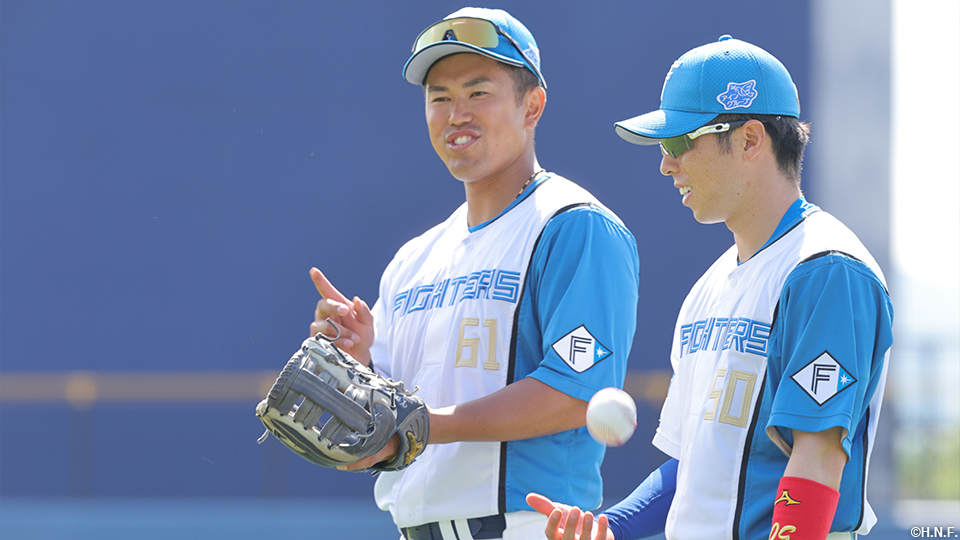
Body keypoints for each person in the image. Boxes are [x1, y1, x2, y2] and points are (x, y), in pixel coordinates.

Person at [527, 35, 894, 540]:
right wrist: (611, 528)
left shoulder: (827, 270)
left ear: (748, 140)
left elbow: (817, 455)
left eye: (679, 143)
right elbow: (692, 466)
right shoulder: (710, 286)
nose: (665, 163)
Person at [309, 7, 641, 540]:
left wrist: (422, 428)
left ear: (532, 105)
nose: (455, 113)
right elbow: (392, 418)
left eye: (478, 92)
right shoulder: (414, 257)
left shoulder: (573, 227)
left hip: (528, 526)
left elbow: (574, 392)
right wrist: (360, 360)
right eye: (439, 97)